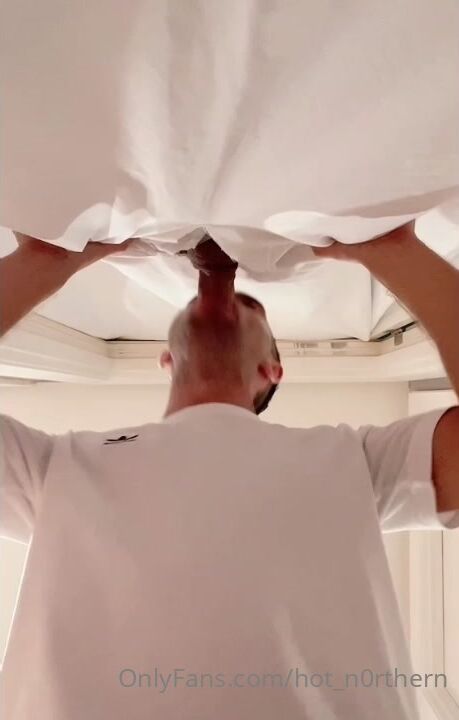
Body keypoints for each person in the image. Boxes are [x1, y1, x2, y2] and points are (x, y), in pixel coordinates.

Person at [0, 224, 458, 720]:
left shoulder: (352, 459)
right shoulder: (56, 468)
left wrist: (399, 255)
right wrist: (39, 262)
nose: (232, 299)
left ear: (271, 371)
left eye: (253, 307)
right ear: (167, 360)